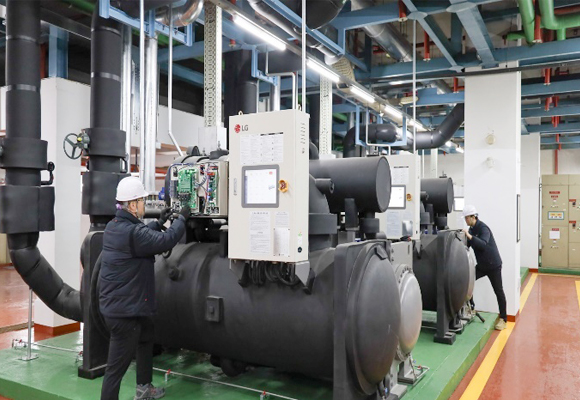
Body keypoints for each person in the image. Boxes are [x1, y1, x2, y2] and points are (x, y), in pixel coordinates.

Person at [99, 177, 189, 400]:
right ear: (132, 205)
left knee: (147, 335)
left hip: (126, 306)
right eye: (141, 201)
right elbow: (165, 241)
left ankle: (144, 388)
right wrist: (182, 219)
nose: (144, 205)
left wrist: (159, 222)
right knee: (115, 370)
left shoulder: (114, 226)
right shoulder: (133, 233)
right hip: (124, 314)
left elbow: (142, 236)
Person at [462, 205, 507, 331]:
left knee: (498, 291)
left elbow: (482, 244)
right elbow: (467, 245)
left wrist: (469, 236)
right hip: (482, 266)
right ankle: (471, 308)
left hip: (493, 265)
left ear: (473, 217)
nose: (466, 220)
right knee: (468, 282)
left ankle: (503, 319)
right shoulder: (471, 230)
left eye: (466, 218)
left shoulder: (483, 228)